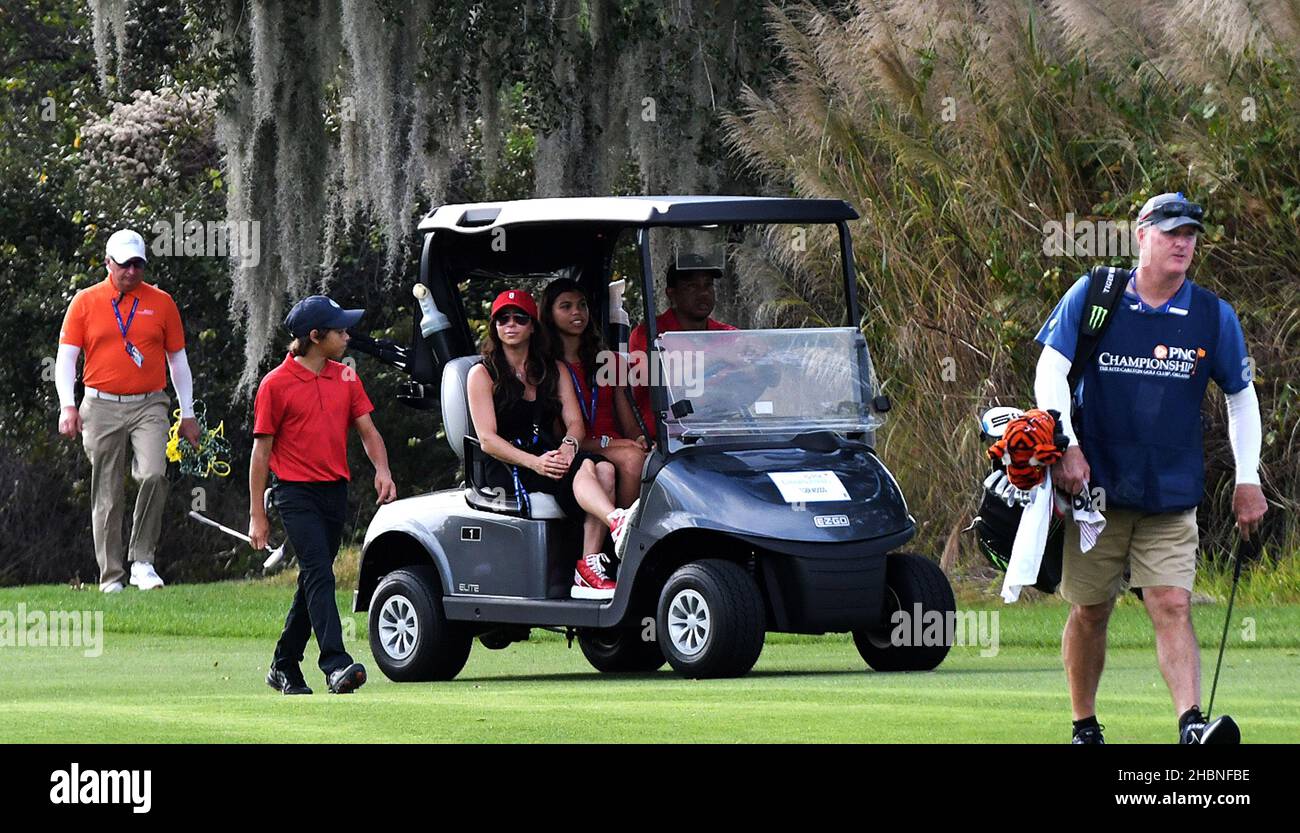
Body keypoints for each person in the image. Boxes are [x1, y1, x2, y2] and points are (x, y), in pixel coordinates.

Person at [1035, 193, 1267, 744]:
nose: (1183, 242)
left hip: (1170, 491)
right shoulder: (1097, 294)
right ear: (1142, 236)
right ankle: (1084, 726)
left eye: (1190, 234)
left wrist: (1247, 477)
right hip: (1096, 490)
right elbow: (1050, 370)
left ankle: (1191, 724)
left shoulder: (1212, 315)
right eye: (1170, 232)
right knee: (1091, 611)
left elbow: (1242, 397)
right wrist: (1065, 443)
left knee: (1171, 601)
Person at [249, 296, 396, 695]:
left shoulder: (346, 377)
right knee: (319, 572)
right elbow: (261, 453)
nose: (347, 335)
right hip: (294, 493)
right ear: (315, 337)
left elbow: (368, 431)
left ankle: (283, 664)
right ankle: (336, 664)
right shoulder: (275, 385)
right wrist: (257, 515)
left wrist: (382, 470)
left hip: (335, 491)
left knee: (313, 577)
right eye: (339, 330)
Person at [55, 229, 201, 593]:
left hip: (150, 402)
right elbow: (66, 360)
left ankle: (142, 562)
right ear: (108, 263)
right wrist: (67, 406)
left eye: (138, 264)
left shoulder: (161, 302)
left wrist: (188, 413)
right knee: (107, 490)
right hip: (99, 404)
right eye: (125, 264)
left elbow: (177, 361)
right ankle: (111, 576)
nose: (132, 272)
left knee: (153, 474)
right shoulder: (85, 302)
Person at [466, 289, 635, 600]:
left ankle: (588, 567)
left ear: (532, 326)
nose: (511, 324)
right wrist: (535, 462)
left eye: (519, 318)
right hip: (509, 463)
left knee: (604, 470)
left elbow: (574, 424)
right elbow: (487, 440)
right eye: (503, 318)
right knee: (589, 466)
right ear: (495, 327)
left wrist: (569, 446)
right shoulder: (482, 373)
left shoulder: (551, 369)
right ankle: (616, 520)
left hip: (548, 454)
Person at [540, 277, 647, 508]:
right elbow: (558, 436)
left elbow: (628, 423)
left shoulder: (609, 361)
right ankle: (621, 537)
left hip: (615, 443)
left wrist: (639, 438)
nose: (577, 312)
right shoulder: (546, 367)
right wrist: (620, 445)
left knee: (645, 454)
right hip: (576, 446)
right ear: (550, 314)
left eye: (582, 305)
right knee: (632, 458)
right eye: (566, 306)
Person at [627, 254, 736, 439]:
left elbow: (759, 371)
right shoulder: (647, 334)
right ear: (671, 293)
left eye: (708, 285)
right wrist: (717, 358)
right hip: (668, 442)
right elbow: (656, 379)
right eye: (691, 286)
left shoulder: (727, 333)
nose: (703, 293)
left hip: (720, 436)